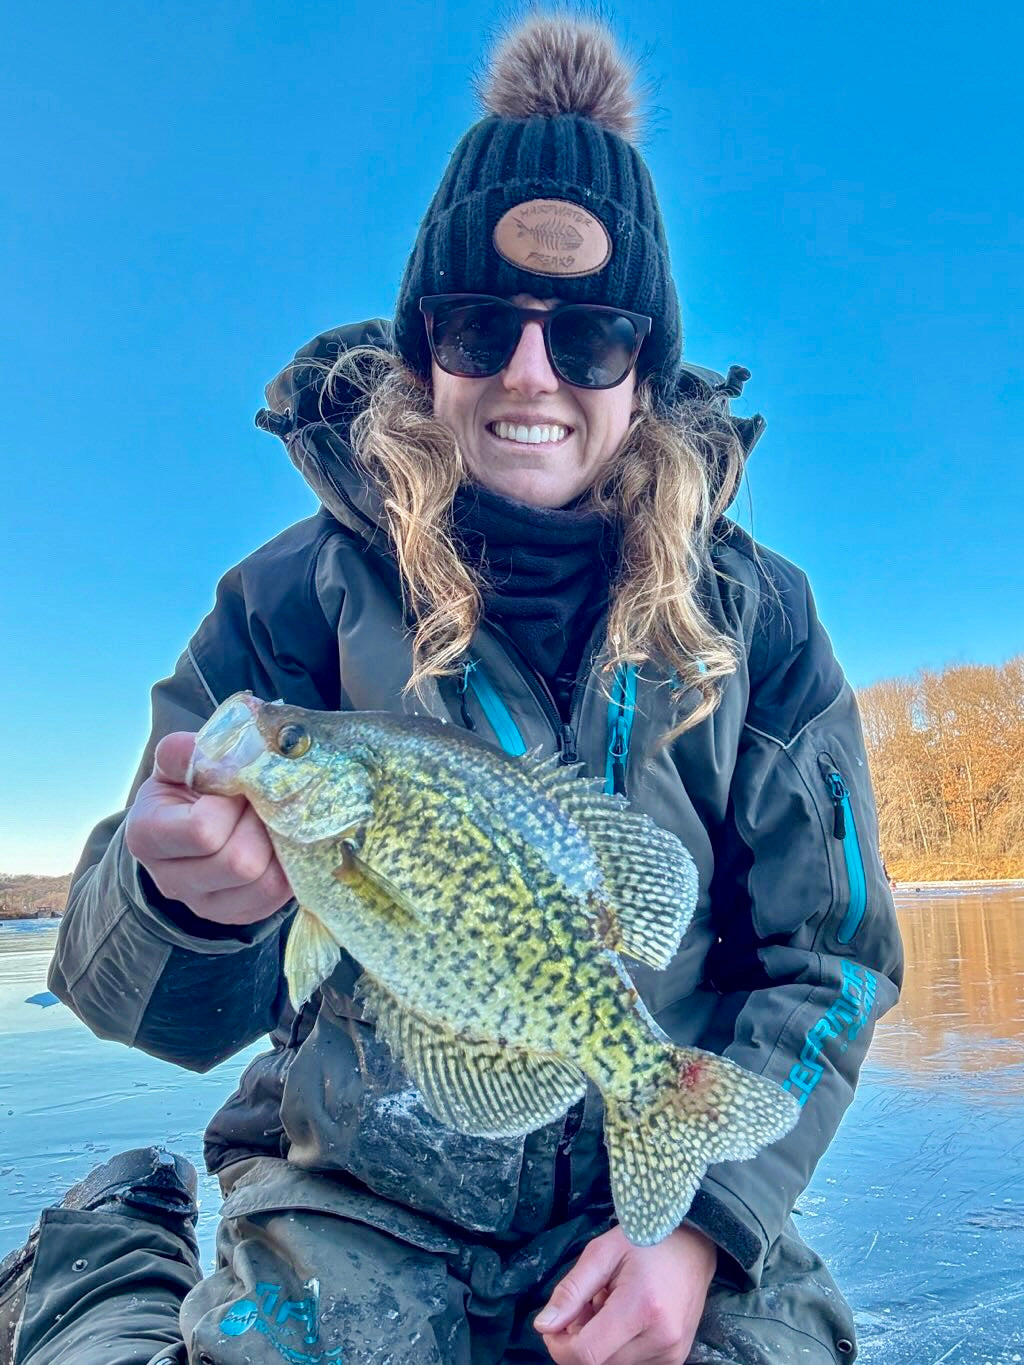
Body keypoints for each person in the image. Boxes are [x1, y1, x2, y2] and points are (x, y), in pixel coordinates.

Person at [0, 16, 902, 1365]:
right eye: (485, 325)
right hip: (350, 1196)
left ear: (644, 371)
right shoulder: (288, 603)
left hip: (660, 1210)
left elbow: (827, 958)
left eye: (590, 339)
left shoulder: (759, 622)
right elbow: (133, 997)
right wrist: (179, 899)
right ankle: (105, 1252)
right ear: (429, 348)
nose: (533, 374)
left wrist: (707, 1220)